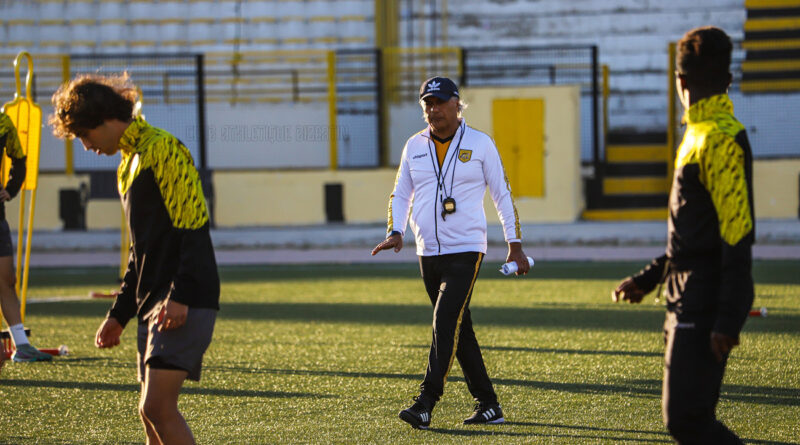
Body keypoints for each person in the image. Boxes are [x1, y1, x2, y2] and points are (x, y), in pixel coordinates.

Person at [50, 74, 220, 445]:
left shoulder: (162, 149)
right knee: (149, 413)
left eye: (84, 133)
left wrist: (181, 295)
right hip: (152, 302)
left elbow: (193, 226)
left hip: (182, 298)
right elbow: (139, 251)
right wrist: (119, 314)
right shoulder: (127, 164)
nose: (85, 145)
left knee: (158, 407)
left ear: (105, 119)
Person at [612, 27, 753, 444]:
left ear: (681, 82)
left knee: (687, 419)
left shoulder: (719, 138)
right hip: (685, 291)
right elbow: (696, 234)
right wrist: (651, 276)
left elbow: (737, 236)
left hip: (704, 299)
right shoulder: (698, 132)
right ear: (728, 80)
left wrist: (728, 315)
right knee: (687, 419)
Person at [372, 76, 530, 429]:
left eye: (440, 102)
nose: (433, 109)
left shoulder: (480, 144)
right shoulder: (414, 145)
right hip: (427, 253)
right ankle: (489, 405)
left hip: (467, 250)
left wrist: (513, 244)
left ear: (458, 105)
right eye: (428, 103)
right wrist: (395, 231)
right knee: (460, 330)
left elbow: (502, 193)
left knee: (444, 321)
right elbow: (400, 193)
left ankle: (426, 402)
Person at [0, 111, 52, 363]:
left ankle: (21, 345)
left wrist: (10, 189)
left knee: (6, 279)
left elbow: (20, 159)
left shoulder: (3, 122)